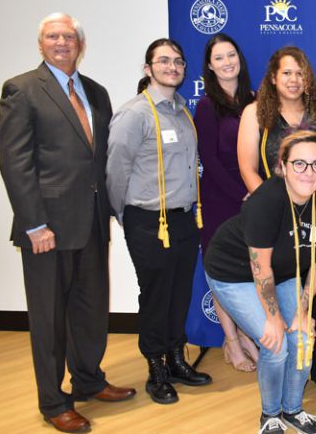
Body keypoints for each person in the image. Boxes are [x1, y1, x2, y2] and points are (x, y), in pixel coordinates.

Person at [0, 13, 135, 433]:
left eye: (69, 36)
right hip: (47, 230)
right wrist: (35, 224)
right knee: (49, 319)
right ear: (41, 45)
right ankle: (54, 402)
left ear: (81, 44)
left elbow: (101, 159)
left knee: (91, 310)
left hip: (92, 223)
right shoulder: (22, 90)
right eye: (53, 37)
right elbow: (14, 162)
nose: (62, 42)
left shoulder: (95, 92)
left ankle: (90, 381)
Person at [204, 131, 316, 434]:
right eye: (299, 164)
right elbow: (261, 267)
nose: (308, 173)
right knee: (276, 344)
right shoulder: (266, 200)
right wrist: (273, 318)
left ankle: (293, 409)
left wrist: (303, 309)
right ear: (282, 166)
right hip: (234, 272)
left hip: (285, 271)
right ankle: (270, 415)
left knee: (301, 336)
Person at [107, 38, 212, 405]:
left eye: (178, 61)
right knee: (155, 297)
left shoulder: (183, 111)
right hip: (149, 222)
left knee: (179, 293)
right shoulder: (135, 114)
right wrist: (128, 217)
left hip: (183, 219)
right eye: (163, 61)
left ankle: (177, 359)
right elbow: (115, 173)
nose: (172, 67)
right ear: (148, 68)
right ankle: (155, 370)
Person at [238, 45, 316, 398]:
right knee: (285, 296)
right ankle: (287, 375)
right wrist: (278, 209)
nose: (294, 79)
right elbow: (248, 168)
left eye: (300, 73)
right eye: (286, 73)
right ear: (273, 77)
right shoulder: (255, 113)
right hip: (276, 221)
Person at [195, 33, 259, 372]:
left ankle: (247, 334)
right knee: (222, 270)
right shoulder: (207, 105)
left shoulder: (255, 99)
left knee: (250, 270)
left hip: (254, 195)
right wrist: (241, 193)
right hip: (222, 198)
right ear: (210, 65)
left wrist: (257, 191)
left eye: (231, 54)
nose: (227, 62)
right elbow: (208, 157)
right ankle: (232, 342)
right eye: (219, 57)